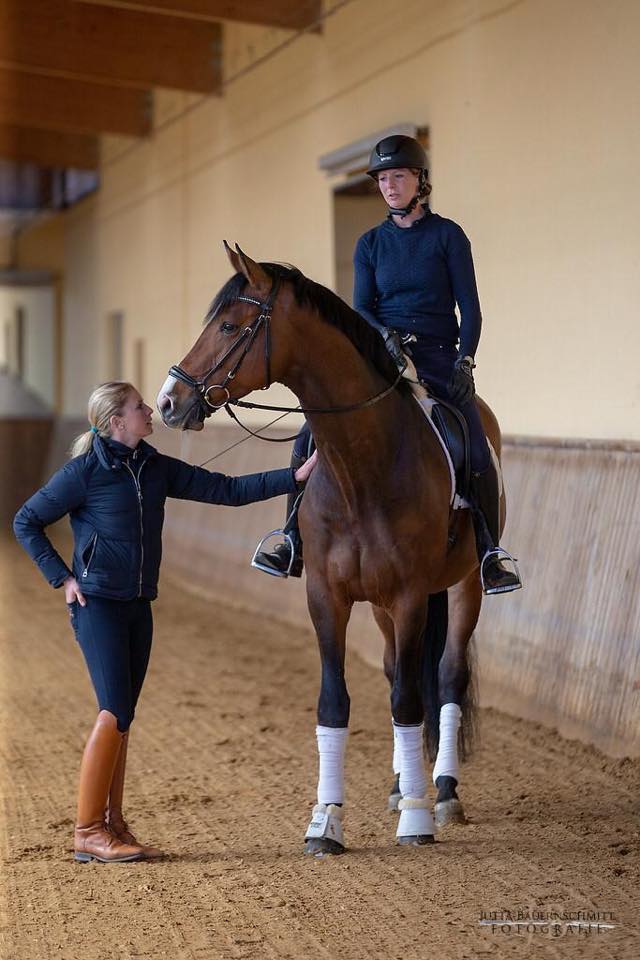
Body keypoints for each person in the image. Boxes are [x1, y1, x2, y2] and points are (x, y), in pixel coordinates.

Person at [13, 380, 315, 864]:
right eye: (139, 407)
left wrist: (294, 476)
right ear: (117, 421)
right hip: (98, 606)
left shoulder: (153, 467)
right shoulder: (83, 473)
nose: (149, 411)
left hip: (138, 604)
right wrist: (63, 579)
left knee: (123, 718)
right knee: (112, 710)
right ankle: (87, 829)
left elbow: (228, 490)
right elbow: (25, 520)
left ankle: (112, 823)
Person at [254, 134, 521, 595]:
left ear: (420, 181)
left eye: (398, 176)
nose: (389, 186)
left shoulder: (448, 236)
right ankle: (291, 539)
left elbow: (470, 309)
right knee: (308, 436)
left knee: (475, 442)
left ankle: (490, 551)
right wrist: (384, 339)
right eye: (382, 178)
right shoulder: (370, 244)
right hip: (381, 355)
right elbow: (363, 309)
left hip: (437, 356)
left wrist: (465, 358)